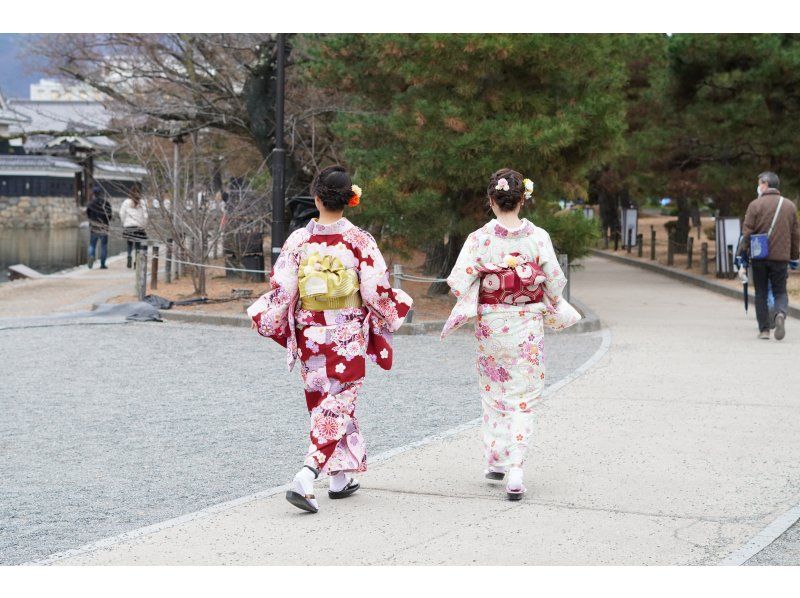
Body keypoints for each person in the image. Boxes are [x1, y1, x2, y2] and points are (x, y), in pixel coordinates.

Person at [247, 166, 413, 514]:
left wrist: (265, 315)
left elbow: (283, 290)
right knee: (336, 403)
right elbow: (375, 290)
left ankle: (340, 478)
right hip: (346, 332)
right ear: (349, 200)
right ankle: (307, 475)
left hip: (310, 330)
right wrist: (393, 308)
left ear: (317, 199)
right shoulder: (359, 240)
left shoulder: (299, 240)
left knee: (325, 401)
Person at [441, 169, 581, 500]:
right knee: (523, 396)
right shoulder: (538, 237)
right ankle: (516, 469)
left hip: (491, 324)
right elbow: (556, 283)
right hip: (527, 325)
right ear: (522, 199)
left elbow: (457, 284)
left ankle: (496, 460)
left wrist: (489, 283)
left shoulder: (479, 238)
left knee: (494, 392)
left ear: (491, 201)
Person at [741, 171, 800, 340]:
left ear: (765, 184)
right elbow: (796, 234)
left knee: (760, 292)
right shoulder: (789, 206)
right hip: (781, 258)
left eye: (759, 183)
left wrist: (744, 253)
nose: (758, 186)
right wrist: (794, 256)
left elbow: (747, 232)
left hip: (759, 256)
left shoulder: (755, 205)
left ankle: (764, 330)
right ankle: (780, 314)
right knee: (780, 291)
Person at [120, 185, 149, 269]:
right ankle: (137, 261)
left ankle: (129, 256)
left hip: (128, 226)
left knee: (129, 243)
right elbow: (146, 216)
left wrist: (124, 223)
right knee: (138, 245)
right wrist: (144, 225)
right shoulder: (142, 202)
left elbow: (121, 213)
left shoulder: (126, 202)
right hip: (139, 226)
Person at [86, 186, 113, 269]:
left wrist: (92, 220)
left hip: (94, 227)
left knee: (92, 245)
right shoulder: (106, 203)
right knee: (103, 246)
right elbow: (110, 215)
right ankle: (102, 264)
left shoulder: (91, 204)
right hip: (104, 226)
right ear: (101, 193)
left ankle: (91, 256)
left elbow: (88, 214)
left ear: (94, 194)